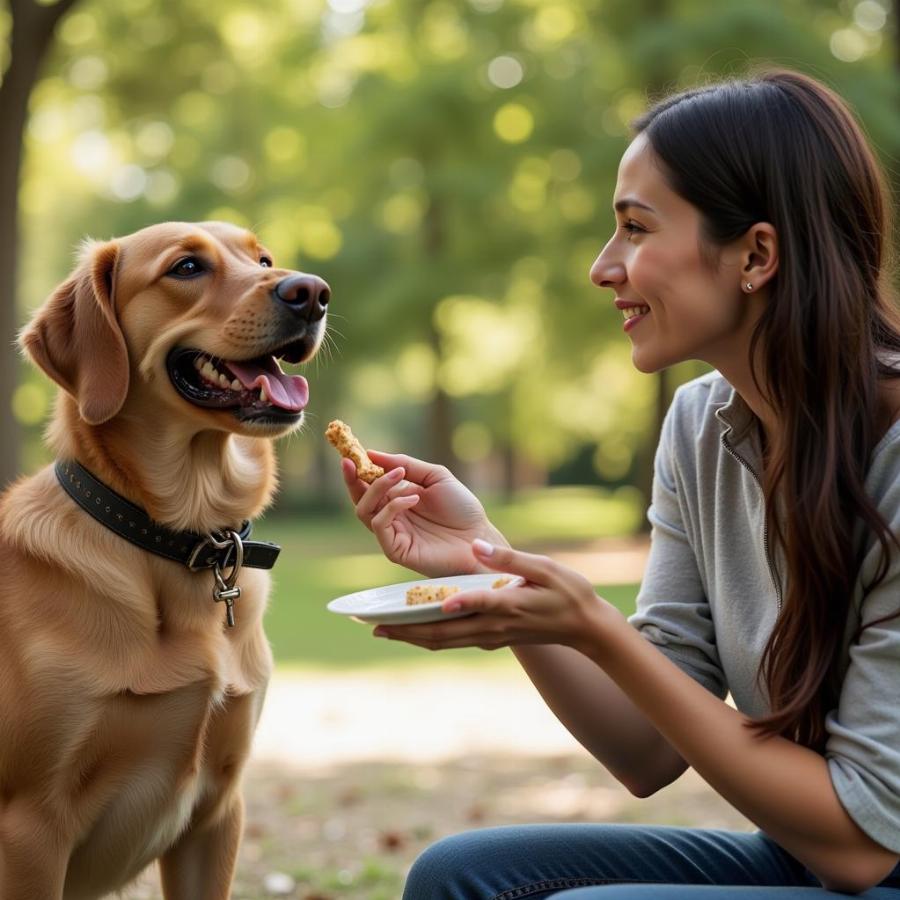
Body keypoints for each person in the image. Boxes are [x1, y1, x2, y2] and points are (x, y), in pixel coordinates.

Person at [337, 68, 900, 897]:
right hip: (808, 855)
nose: (604, 269)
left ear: (756, 254)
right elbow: (644, 750)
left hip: (863, 857)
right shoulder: (701, 425)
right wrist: (487, 567)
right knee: (460, 877)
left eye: (636, 229)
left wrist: (597, 629)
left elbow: (863, 845)